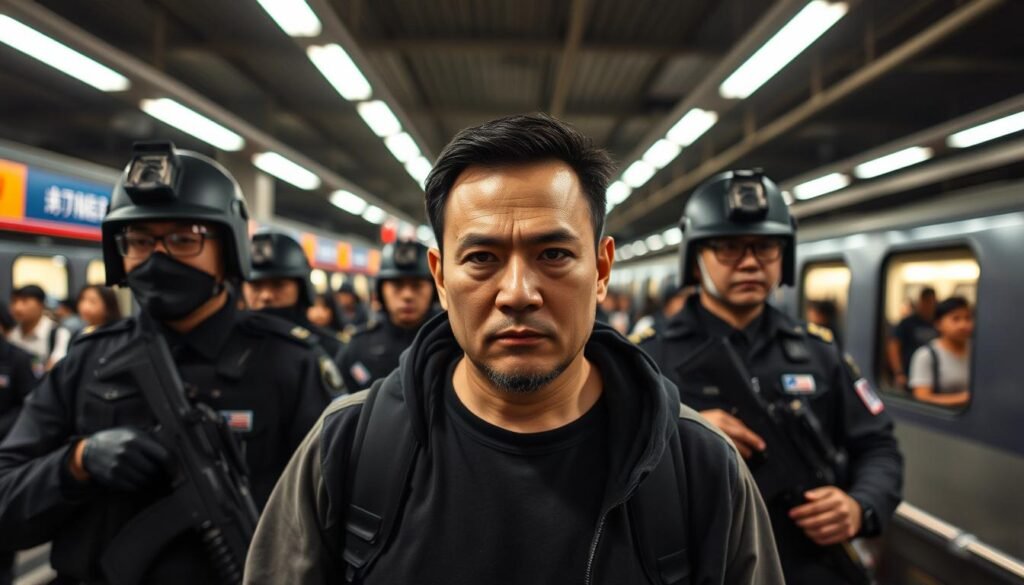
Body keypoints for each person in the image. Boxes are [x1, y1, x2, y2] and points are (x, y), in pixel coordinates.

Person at [245, 114, 783, 585]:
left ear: (600, 269)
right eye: (481, 257)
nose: (518, 294)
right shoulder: (347, 450)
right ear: (440, 277)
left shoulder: (699, 467)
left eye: (552, 253)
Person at [0, 141, 337, 584]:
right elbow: (6, 500)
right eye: (139, 241)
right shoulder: (87, 361)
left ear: (228, 247)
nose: (157, 259)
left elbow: (339, 516)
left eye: (183, 239)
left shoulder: (290, 365)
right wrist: (76, 462)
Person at [640, 169, 903, 584]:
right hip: (701, 566)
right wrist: (682, 432)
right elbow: (612, 463)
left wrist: (859, 507)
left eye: (766, 247)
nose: (749, 262)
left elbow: (878, 447)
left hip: (809, 562)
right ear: (695, 256)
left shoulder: (819, 350)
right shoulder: (648, 356)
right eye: (727, 247)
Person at [334, 241, 437, 392]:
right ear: (381, 290)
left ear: (434, 289)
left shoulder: (455, 342)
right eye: (397, 285)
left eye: (417, 285)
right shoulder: (356, 347)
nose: (407, 295)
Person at [244, 228, 348, 362]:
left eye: (278, 285)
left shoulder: (330, 350)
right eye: (256, 286)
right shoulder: (226, 343)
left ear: (302, 288)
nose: (266, 295)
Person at [908, 297, 973, 408]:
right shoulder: (926, 355)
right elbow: (922, 398)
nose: (963, 325)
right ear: (938, 324)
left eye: (967, 318)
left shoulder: (977, 351)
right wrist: (966, 398)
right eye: (955, 319)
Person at [8, 284, 71, 373]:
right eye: (14, 301)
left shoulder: (58, 333)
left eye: (24, 301)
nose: (17, 307)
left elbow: (56, 368)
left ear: (41, 305)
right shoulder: (12, 334)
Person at [887, 288, 937, 389]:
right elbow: (894, 346)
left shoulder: (936, 323)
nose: (929, 305)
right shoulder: (907, 323)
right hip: (908, 373)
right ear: (920, 301)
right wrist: (898, 372)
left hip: (932, 375)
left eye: (932, 301)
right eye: (926, 301)